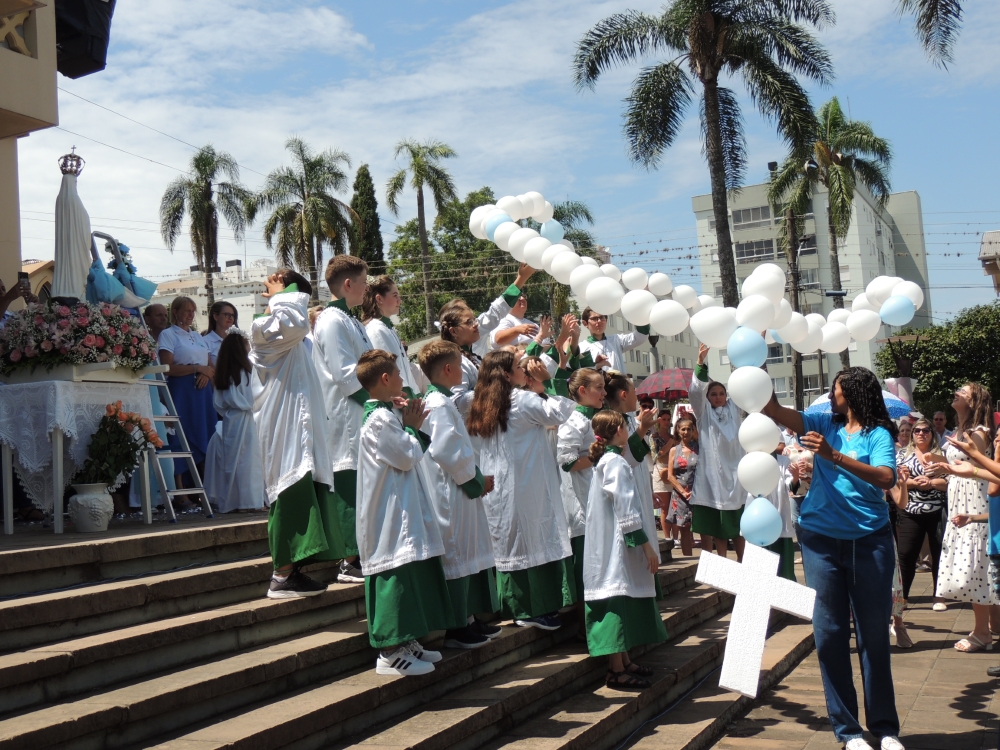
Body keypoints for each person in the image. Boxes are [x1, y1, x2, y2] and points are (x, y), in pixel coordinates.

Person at [761, 367, 902, 750]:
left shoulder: (878, 434)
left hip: (869, 541)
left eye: (835, 389)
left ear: (852, 393)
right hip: (820, 540)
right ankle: (849, 731)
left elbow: (886, 478)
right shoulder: (823, 421)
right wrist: (759, 366)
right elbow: (774, 409)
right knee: (829, 635)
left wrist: (833, 455)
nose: (830, 395)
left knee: (874, 636)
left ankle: (885, 729)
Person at [354, 349, 455, 676]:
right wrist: (412, 426)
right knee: (395, 573)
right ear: (385, 379)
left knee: (409, 572)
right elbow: (407, 456)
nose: (403, 379)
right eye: (398, 374)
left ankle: (406, 640)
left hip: (399, 505)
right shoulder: (380, 420)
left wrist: (404, 416)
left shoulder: (385, 414)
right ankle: (389, 651)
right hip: (388, 513)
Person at [467, 350, 577, 631]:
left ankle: (526, 607)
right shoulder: (521, 400)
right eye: (519, 366)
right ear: (506, 374)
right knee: (529, 541)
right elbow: (563, 411)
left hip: (502, 485)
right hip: (526, 482)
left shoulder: (484, 402)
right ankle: (528, 610)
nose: (523, 371)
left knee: (516, 541)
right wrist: (548, 380)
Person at [250, 270, 341, 599]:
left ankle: (294, 571)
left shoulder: (299, 338)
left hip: (303, 427)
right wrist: (280, 294)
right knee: (290, 491)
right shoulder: (266, 328)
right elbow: (292, 323)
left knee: (307, 489)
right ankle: (282, 575)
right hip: (284, 428)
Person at [416, 340, 502, 649]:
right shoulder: (438, 404)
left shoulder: (442, 401)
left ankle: (467, 618)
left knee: (466, 553)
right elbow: (446, 450)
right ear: (450, 369)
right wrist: (475, 479)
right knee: (457, 554)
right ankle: (456, 626)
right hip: (450, 490)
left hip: (457, 487)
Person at [584, 410, 666, 690]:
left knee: (622, 594)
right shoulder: (614, 463)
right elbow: (626, 508)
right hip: (614, 544)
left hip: (610, 541)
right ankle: (616, 670)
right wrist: (647, 547)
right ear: (619, 431)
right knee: (617, 595)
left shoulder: (608, 460)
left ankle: (624, 660)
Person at [313, 255, 374, 584]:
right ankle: (350, 559)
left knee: (362, 485)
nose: (367, 289)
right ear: (348, 284)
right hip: (345, 415)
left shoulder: (351, 320)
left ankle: (363, 552)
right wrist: (377, 403)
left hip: (361, 413)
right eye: (363, 282)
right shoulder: (331, 321)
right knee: (349, 484)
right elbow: (347, 375)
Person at [927, 383, 998, 652]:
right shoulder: (959, 431)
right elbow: (960, 466)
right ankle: (992, 626)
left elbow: (976, 465)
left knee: (977, 566)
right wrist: (940, 463)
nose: (956, 392)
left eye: (963, 391)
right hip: (960, 497)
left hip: (975, 498)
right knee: (979, 565)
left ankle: (982, 632)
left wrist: (949, 466)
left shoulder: (978, 432)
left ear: (974, 401)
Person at [689, 344, 746, 561]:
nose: (718, 397)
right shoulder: (704, 413)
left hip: (736, 476)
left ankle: (742, 563)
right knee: (719, 528)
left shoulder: (734, 409)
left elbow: (745, 388)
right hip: (713, 478)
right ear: (708, 397)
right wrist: (700, 363)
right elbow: (696, 392)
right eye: (713, 394)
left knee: (739, 527)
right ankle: (722, 564)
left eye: (722, 393)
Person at [157, 296, 217, 503]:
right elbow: (166, 367)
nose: (191, 314)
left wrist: (205, 373)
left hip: (202, 393)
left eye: (193, 311)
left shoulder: (198, 336)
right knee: (180, 436)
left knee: (204, 435)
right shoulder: (168, 334)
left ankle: (202, 490)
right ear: (175, 311)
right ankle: (180, 492)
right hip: (182, 390)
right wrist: (196, 368)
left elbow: (210, 366)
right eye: (186, 310)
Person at [889, 418, 948, 615]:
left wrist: (931, 483)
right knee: (906, 554)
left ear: (932, 434)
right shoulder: (902, 455)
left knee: (939, 554)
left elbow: (950, 481)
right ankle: (903, 597)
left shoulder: (941, 456)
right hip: (910, 510)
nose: (921, 434)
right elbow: (895, 481)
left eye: (925, 430)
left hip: (937, 510)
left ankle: (939, 596)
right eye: (917, 431)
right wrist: (914, 482)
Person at [204, 329, 266, 513]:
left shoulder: (224, 373)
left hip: (230, 419)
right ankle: (249, 501)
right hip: (245, 419)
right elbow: (253, 398)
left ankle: (233, 501)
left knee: (232, 461)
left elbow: (218, 402)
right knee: (248, 460)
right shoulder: (245, 373)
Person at [557, 368, 606, 596]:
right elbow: (567, 461)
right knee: (586, 566)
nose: (604, 393)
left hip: (595, 495)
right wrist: (600, 455)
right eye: (599, 388)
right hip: (581, 499)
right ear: (583, 391)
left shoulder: (591, 418)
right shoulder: (574, 420)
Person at [439, 263, 537, 357]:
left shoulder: (472, 357)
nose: (475, 324)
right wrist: (521, 278)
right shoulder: (455, 361)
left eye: (473, 319)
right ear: (452, 330)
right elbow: (497, 310)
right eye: (468, 322)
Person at [361, 276, 426, 398]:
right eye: (395, 296)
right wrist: (408, 398)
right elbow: (389, 370)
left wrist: (416, 396)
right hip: (398, 399)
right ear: (379, 299)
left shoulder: (387, 328)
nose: (399, 301)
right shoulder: (376, 330)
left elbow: (405, 370)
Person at [665, 418, 698, 557]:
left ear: (693, 430)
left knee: (702, 528)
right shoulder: (674, 450)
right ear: (678, 431)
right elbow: (670, 475)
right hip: (681, 495)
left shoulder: (699, 448)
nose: (686, 432)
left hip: (698, 493)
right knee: (685, 529)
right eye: (683, 429)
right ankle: (688, 560)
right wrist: (683, 492)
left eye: (689, 429)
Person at [578, 307, 648, 372]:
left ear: (606, 320)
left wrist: (639, 313)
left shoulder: (616, 340)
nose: (599, 321)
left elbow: (640, 336)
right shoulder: (581, 347)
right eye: (594, 318)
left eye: (602, 317)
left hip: (619, 381)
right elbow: (581, 373)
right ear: (585, 323)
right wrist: (597, 365)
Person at [203, 301, 237, 365]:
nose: (231, 318)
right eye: (227, 315)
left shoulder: (237, 340)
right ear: (216, 317)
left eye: (232, 315)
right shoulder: (205, 342)